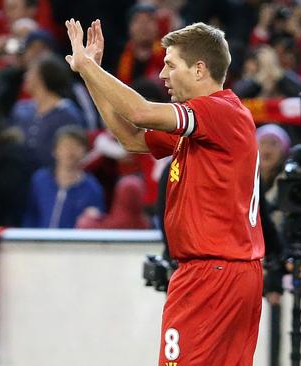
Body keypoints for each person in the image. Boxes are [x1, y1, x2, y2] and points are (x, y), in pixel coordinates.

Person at [65, 19, 264, 365]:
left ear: (199, 69)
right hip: (234, 272)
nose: (162, 76)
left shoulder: (216, 111)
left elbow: (140, 111)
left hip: (209, 274)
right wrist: (91, 74)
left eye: (170, 65)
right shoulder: (211, 121)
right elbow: (131, 138)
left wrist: (87, 66)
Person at [22, 125, 104, 228]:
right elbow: (30, 216)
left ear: (85, 152)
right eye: (65, 146)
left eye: (76, 146)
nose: (70, 152)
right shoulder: (40, 180)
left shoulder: (92, 188)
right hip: (39, 241)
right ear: (55, 151)